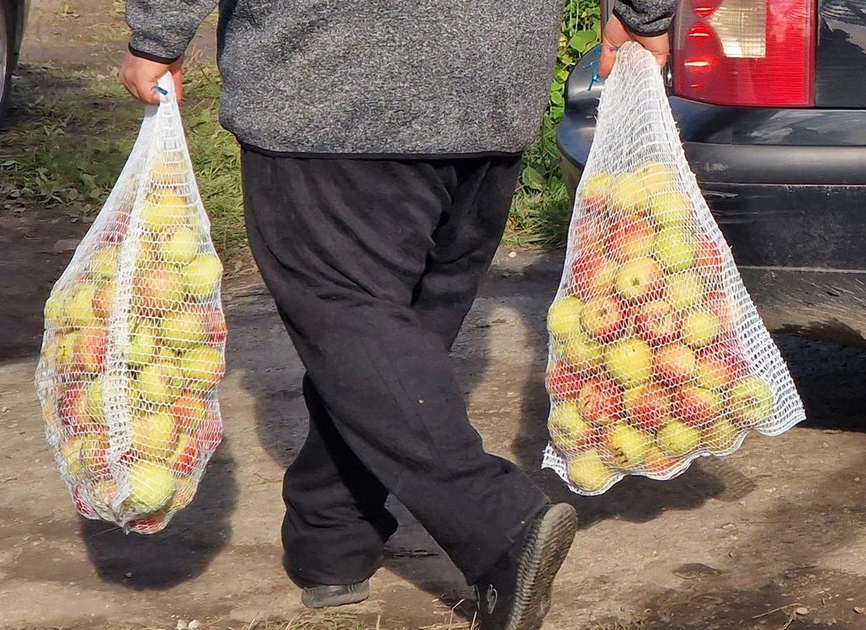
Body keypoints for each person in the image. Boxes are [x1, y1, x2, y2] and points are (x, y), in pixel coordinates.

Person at [119, 1, 672, 628]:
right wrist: (643, 13)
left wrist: (157, 35)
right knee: (396, 336)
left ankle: (495, 521)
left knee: (353, 319)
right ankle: (332, 536)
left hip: (327, 85)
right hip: (488, 86)